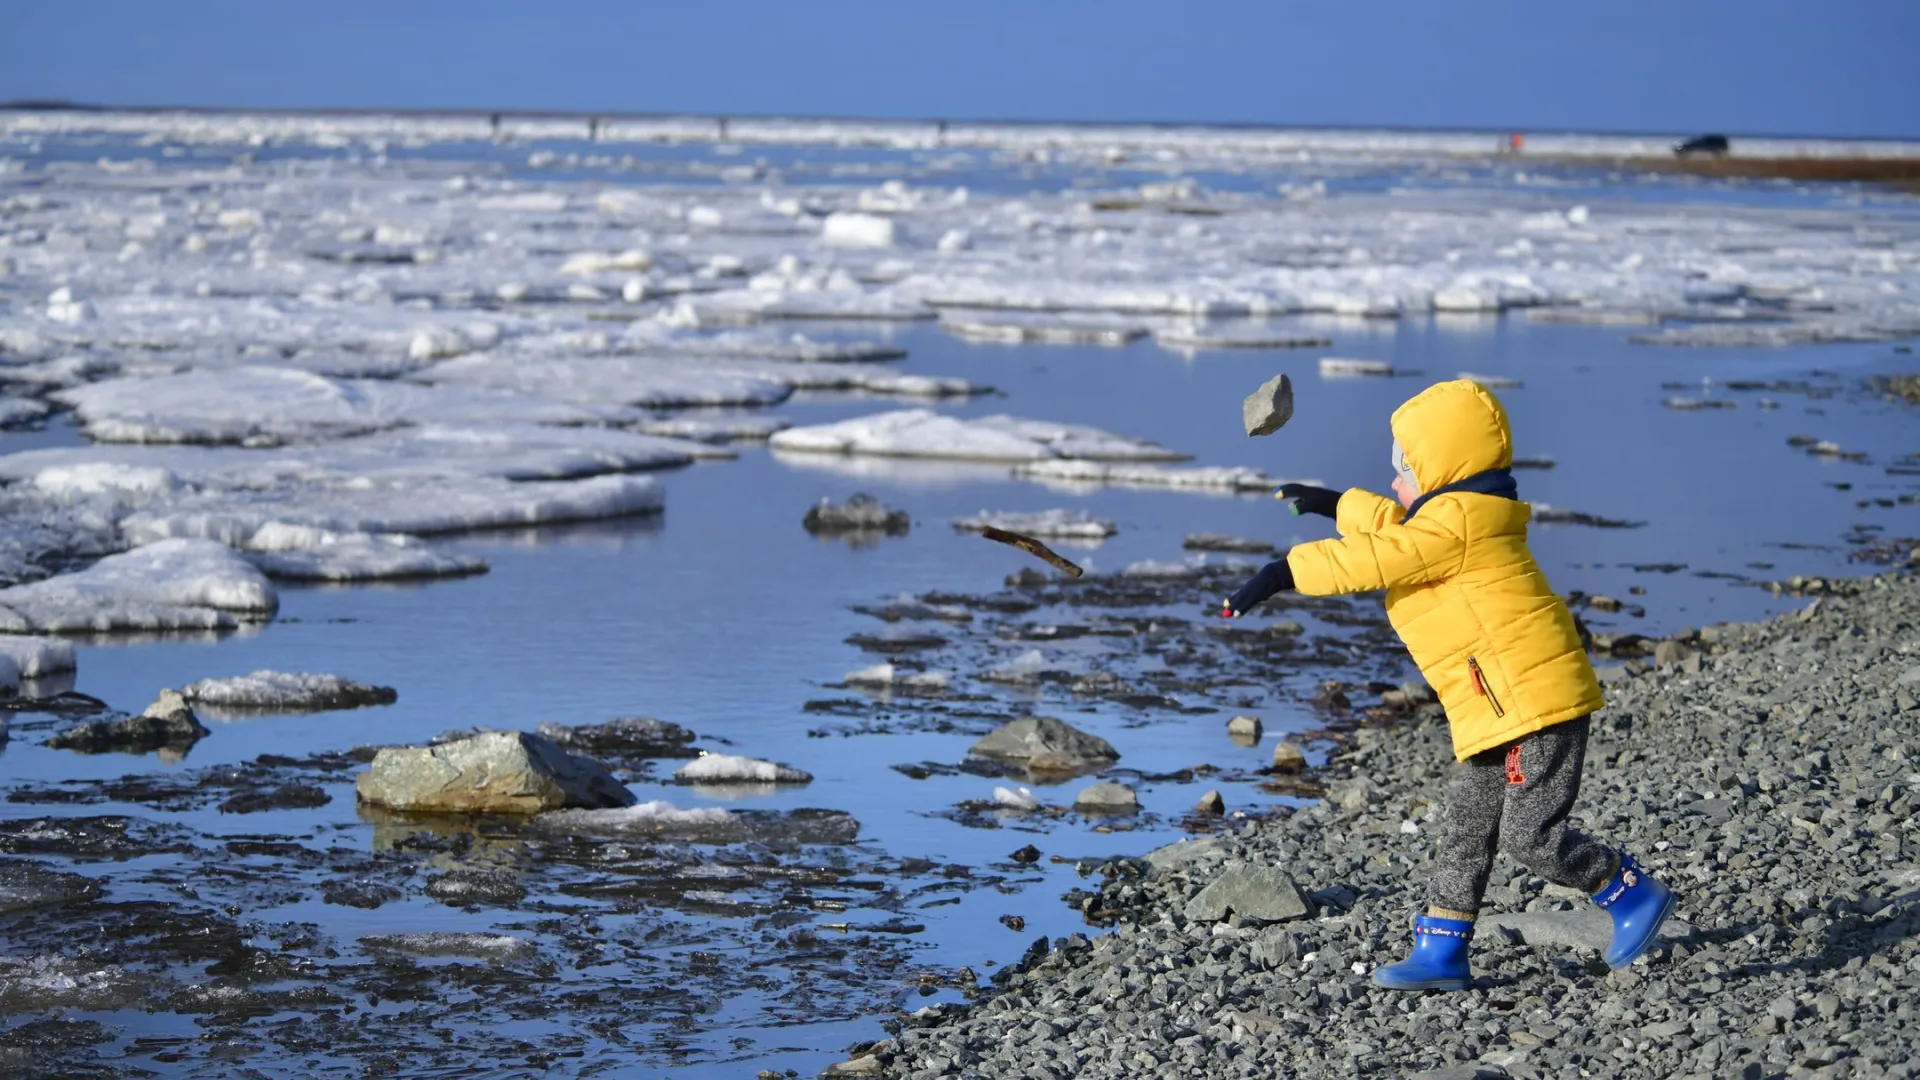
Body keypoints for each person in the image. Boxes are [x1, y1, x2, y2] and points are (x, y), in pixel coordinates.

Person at [1219, 379, 1674, 991]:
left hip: (1538, 706)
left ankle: (1627, 891)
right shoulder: (1458, 519)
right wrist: (1335, 503)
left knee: (1529, 835)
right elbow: (1400, 526)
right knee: (1468, 828)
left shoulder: (1454, 528)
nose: (1397, 483)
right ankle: (1441, 950)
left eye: (1404, 469)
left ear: (1442, 469)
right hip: (1497, 708)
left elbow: (1382, 555)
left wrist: (1284, 570)